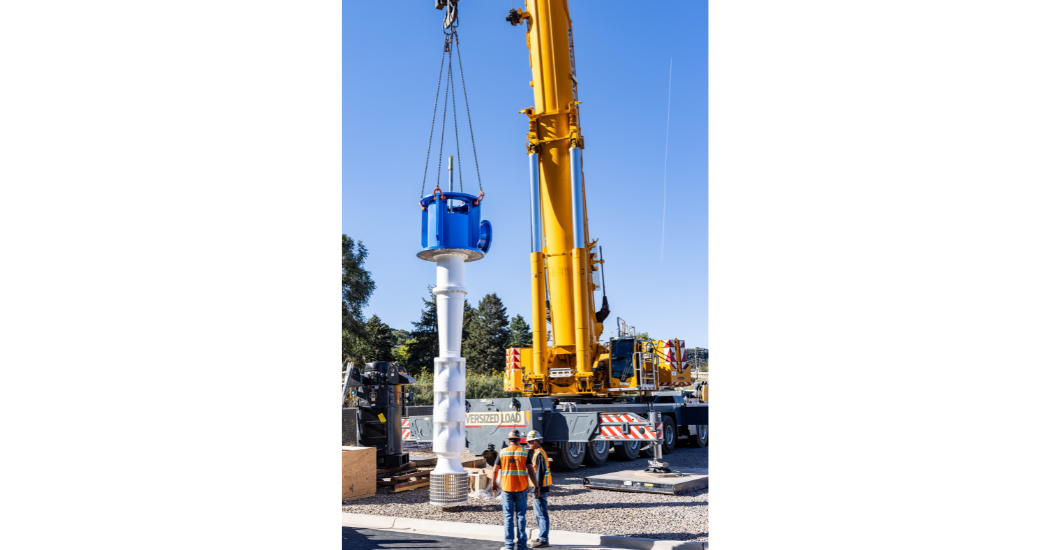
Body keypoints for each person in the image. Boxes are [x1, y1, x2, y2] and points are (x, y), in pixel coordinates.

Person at [490, 429, 539, 550]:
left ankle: (509, 546)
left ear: (509, 440)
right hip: (521, 488)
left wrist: (493, 483)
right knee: (521, 516)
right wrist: (536, 486)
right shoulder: (524, 452)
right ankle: (522, 546)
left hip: (506, 488)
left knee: (508, 517)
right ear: (519, 440)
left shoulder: (502, 452)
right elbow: (531, 471)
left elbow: (495, 470)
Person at [524, 430, 553, 548]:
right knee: (539, 513)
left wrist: (537, 488)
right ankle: (542, 536)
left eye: (530, 442)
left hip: (539, 488)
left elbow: (540, 473)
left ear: (535, 441)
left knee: (541, 513)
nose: (529, 444)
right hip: (538, 487)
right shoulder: (537, 453)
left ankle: (543, 539)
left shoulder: (539, 454)